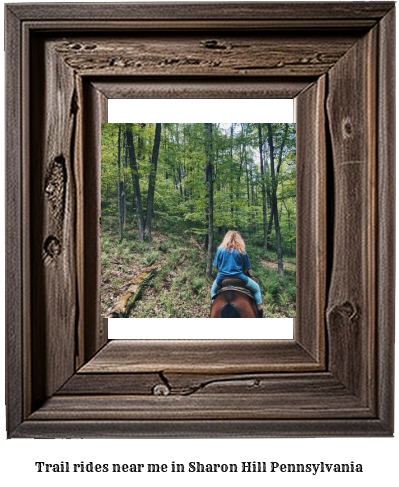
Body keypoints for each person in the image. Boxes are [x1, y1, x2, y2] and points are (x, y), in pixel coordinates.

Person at [211, 230, 263, 317]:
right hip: (239, 277)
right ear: (239, 239)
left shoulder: (220, 250)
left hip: (222, 278)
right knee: (257, 289)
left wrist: (223, 271)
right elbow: (246, 268)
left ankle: (213, 306)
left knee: (213, 291)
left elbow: (216, 266)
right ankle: (260, 312)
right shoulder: (241, 250)